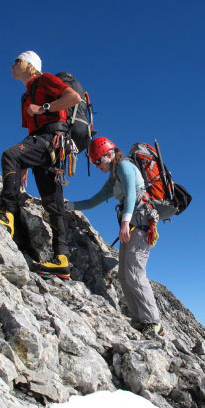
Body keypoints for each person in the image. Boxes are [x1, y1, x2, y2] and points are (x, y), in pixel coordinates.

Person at [0, 50, 81, 279]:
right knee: (53, 201)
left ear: (27, 64)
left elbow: (73, 98)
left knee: (8, 155)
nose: (11, 66)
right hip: (47, 144)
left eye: (15, 62)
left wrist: (43, 108)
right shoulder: (25, 96)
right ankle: (62, 259)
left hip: (51, 141)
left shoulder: (45, 79)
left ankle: (7, 213)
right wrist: (22, 163)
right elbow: (33, 131)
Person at [66, 137, 164, 336]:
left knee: (135, 272)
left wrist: (126, 222)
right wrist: (66, 205)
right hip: (133, 223)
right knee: (124, 275)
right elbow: (93, 201)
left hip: (140, 221)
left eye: (97, 161)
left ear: (109, 155)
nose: (96, 166)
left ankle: (153, 322)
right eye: (94, 163)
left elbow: (130, 194)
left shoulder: (124, 167)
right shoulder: (112, 178)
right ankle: (139, 320)